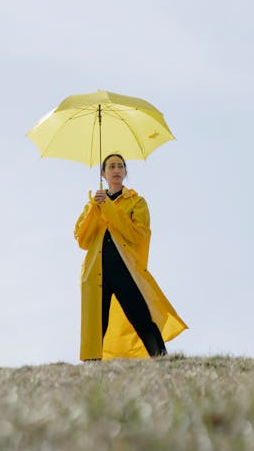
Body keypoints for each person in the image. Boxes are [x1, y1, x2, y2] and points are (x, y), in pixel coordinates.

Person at [73, 153, 187, 361]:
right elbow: (82, 239)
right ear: (104, 174)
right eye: (111, 167)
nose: (116, 170)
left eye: (120, 166)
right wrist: (95, 209)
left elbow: (137, 234)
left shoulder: (137, 202)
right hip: (96, 270)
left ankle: (160, 357)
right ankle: (92, 364)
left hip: (125, 268)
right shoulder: (93, 204)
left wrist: (107, 206)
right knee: (96, 320)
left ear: (125, 172)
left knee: (140, 313)